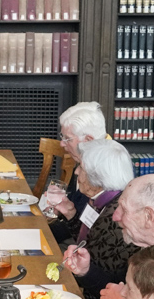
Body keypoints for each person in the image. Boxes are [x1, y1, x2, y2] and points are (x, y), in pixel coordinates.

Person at [58, 138, 134, 299]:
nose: (76, 172)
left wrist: (82, 271)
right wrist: (71, 215)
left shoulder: (116, 218)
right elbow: (88, 243)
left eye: (81, 168)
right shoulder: (101, 201)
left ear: (97, 178)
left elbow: (104, 282)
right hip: (87, 288)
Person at [42, 101, 108, 235]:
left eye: (67, 139)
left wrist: (42, 232)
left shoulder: (106, 173)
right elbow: (77, 207)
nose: (61, 144)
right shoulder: (92, 156)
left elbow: (88, 235)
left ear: (88, 140)